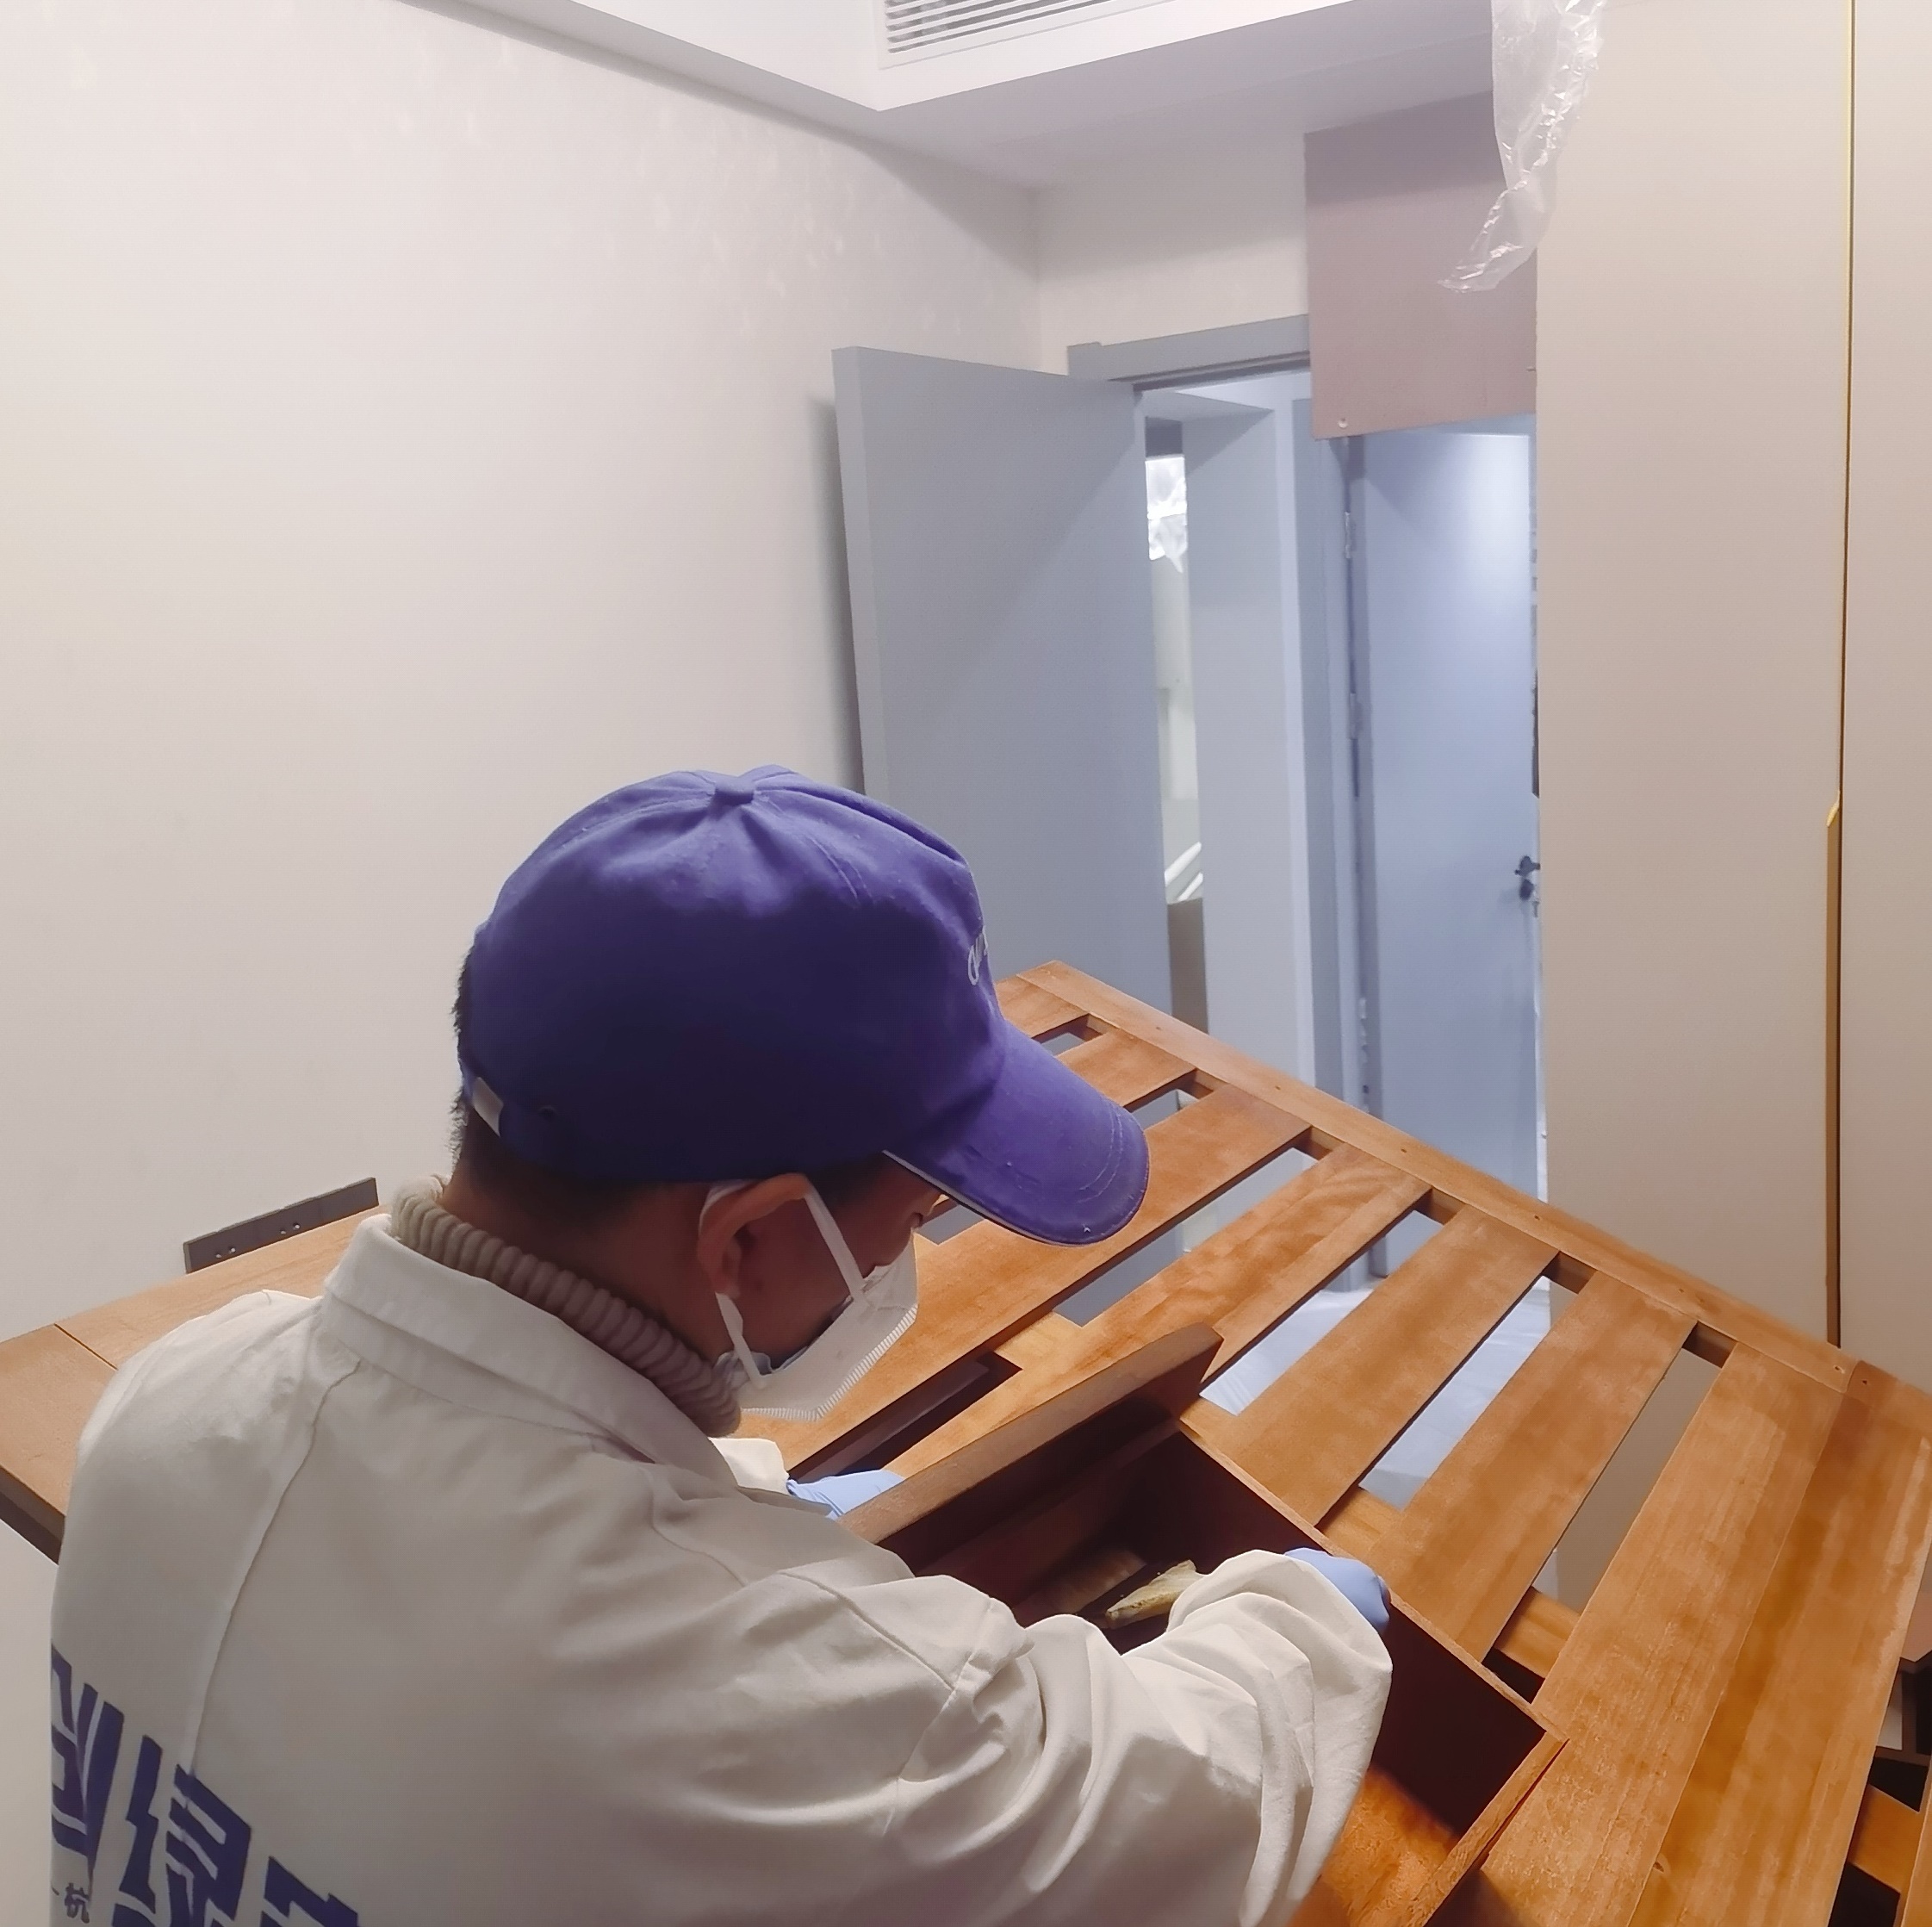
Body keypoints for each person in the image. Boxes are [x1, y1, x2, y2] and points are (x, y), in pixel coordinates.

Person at [49, 768, 1391, 1927]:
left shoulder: (169, 1395)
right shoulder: (767, 1707)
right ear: (745, 1238)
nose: (910, 1254)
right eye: (914, 1216)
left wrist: (743, 1496)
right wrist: (1305, 1622)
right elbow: (1187, 1801)